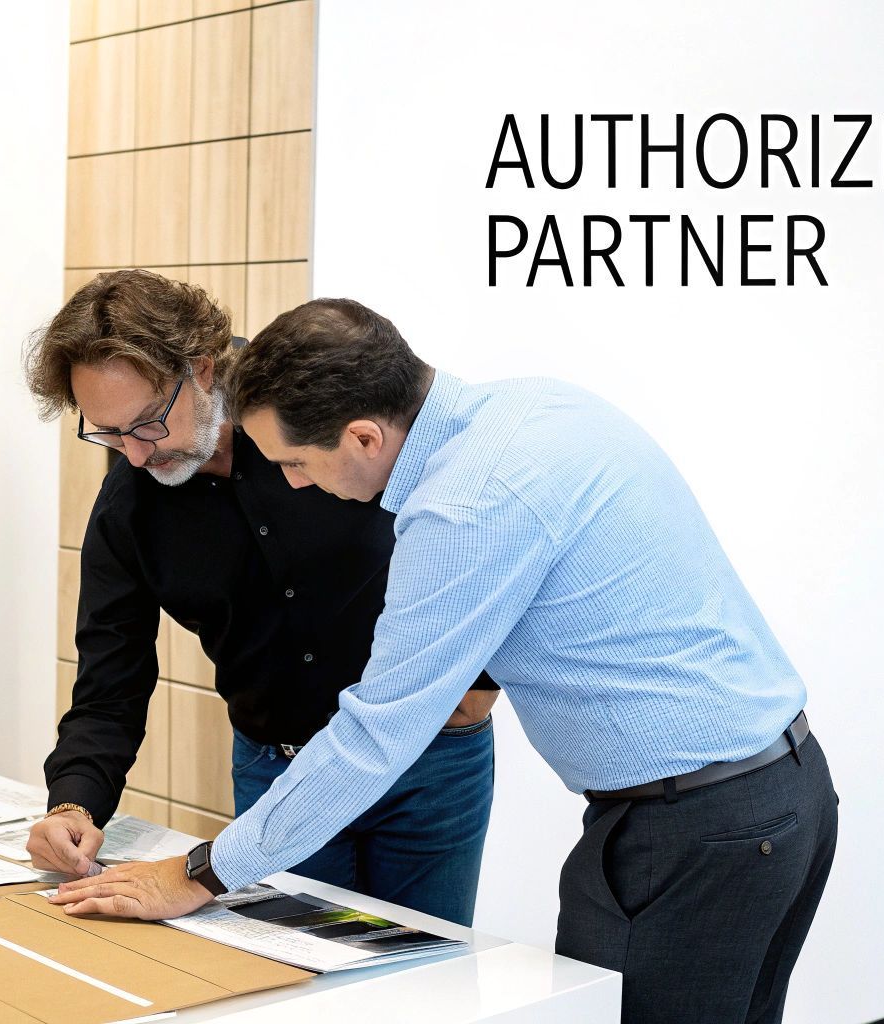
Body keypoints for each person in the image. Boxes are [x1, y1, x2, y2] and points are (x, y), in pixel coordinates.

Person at [50, 297, 839, 1024]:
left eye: (295, 463)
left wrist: (197, 872)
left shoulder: (461, 506)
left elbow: (374, 737)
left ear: (363, 436)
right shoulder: (538, 404)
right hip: (779, 791)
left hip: (698, 827)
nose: (293, 482)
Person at [22, 272, 499, 925]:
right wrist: (74, 803)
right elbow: (111, 681)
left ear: (203, 370)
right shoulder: (128, 507)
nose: (133, 455)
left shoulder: (316, 410)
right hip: (281, 774)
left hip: (430, 765)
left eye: (147, 424)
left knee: (431, 979)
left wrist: (477, 688)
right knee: (296, 989)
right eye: (107, 433)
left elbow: (472, 515)